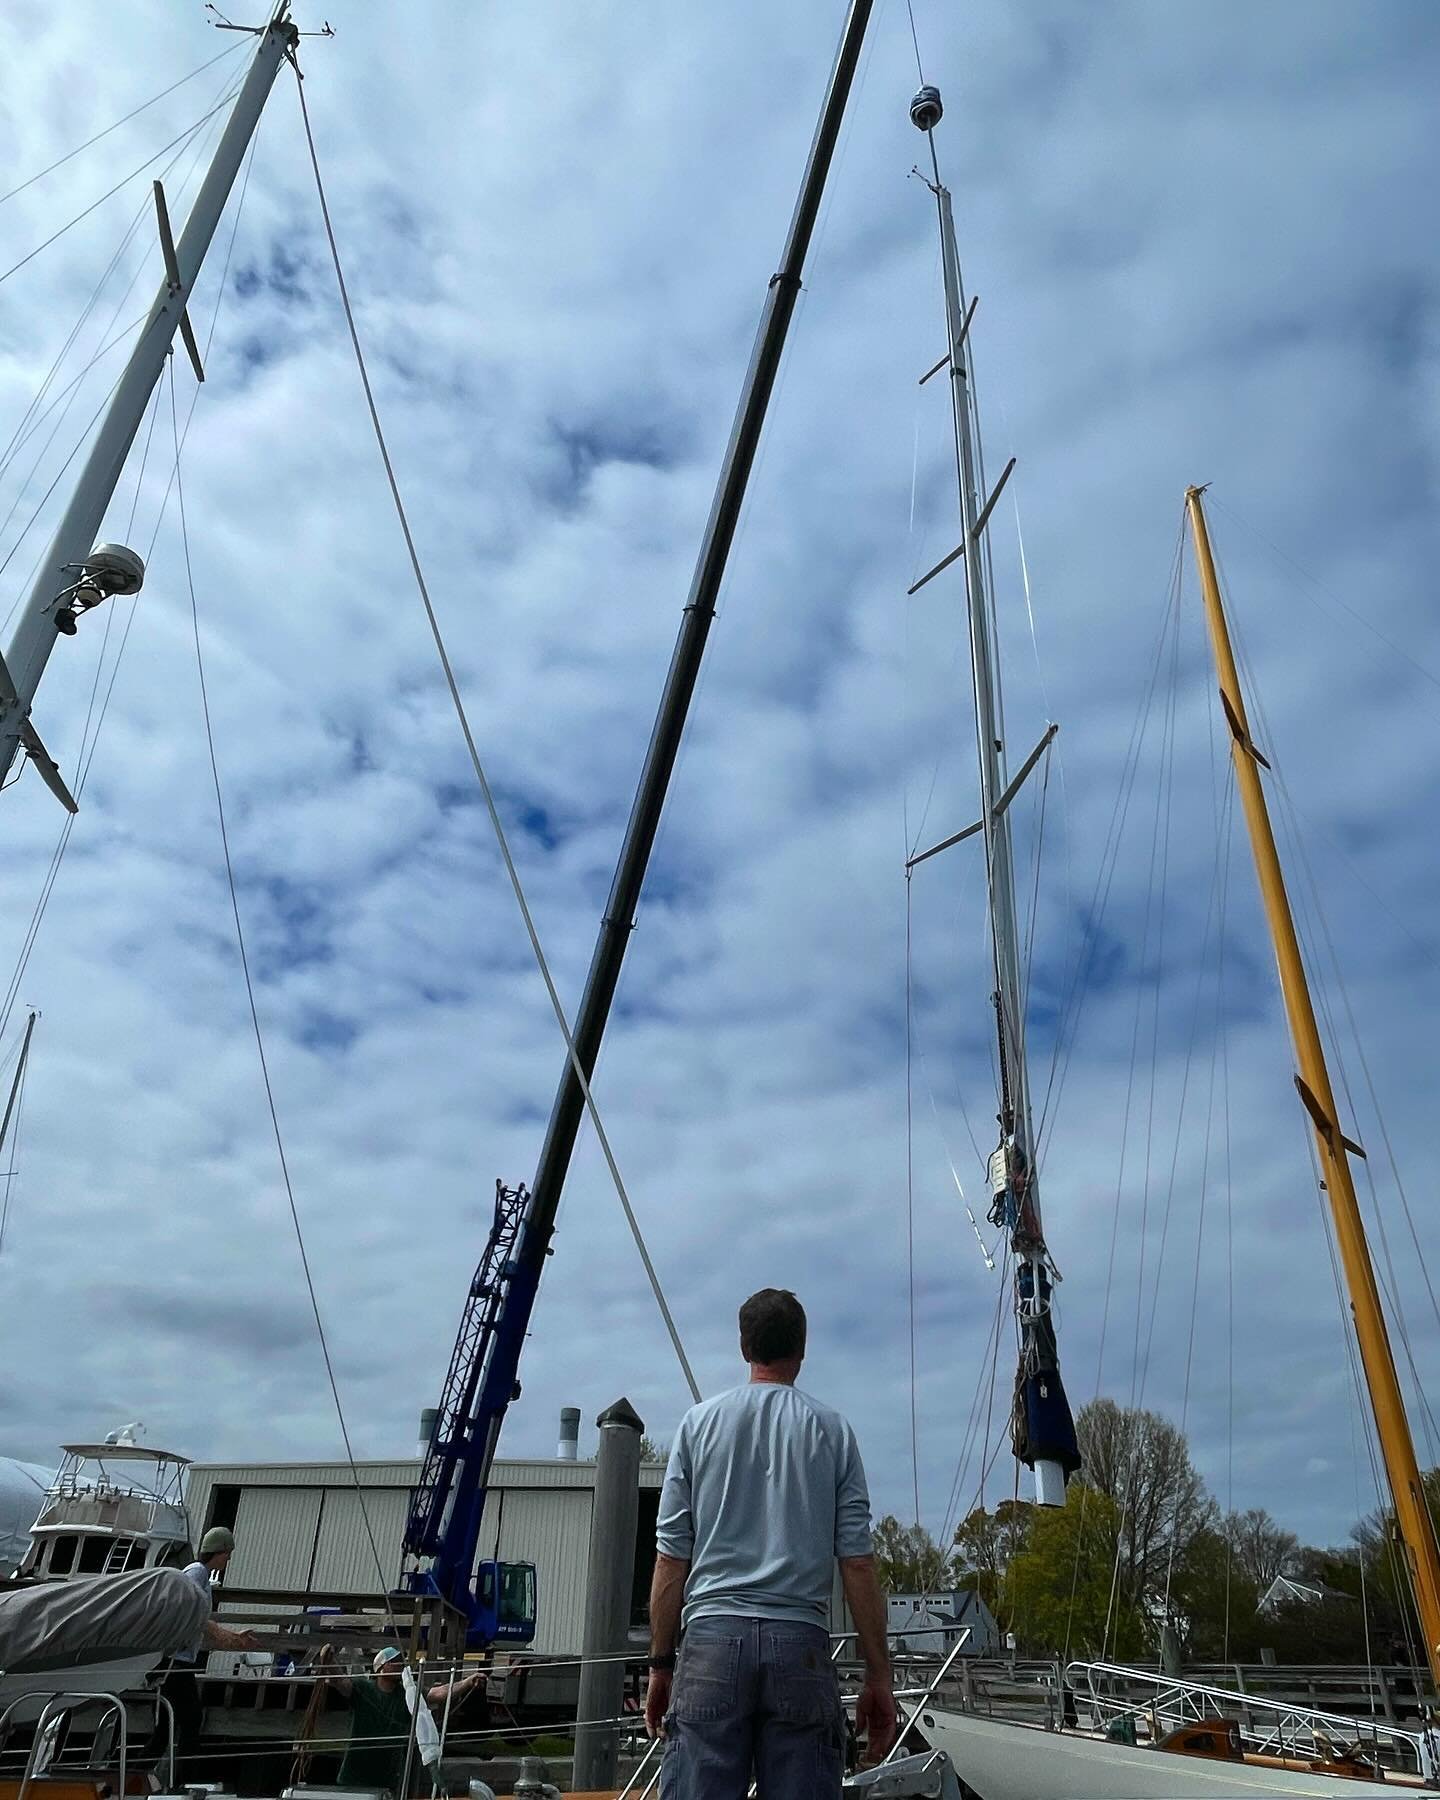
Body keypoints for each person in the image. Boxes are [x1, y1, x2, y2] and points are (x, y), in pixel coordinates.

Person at [646, 1288, 898, 1798]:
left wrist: (659, 1664)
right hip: (800, 1646)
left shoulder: (697, 1426)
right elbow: (858, 1564)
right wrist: (879, 1674)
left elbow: (671, 1558)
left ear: (745, 1349)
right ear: (801, 1351)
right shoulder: (834, 1432)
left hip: (712, 1642)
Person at [146, 1526, 260, 1767]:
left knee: (169, 1722)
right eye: (227, 1552)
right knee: (191, 1718)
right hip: (176, 1662)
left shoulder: (203, 1576)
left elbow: (198, 1623)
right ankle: (182, 1778)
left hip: (179, 1660)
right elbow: (194, 1613)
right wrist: (229, 1636)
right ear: (217, 1552)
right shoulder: (196, 1572)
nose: (229, 1558)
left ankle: (139, 1771)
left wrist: (234, 1638)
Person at [319, 1643, 485, 1794]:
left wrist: (467, 1683)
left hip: (388, 1777)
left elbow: (439, 1693)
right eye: (395, 1661)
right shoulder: (363, 1688)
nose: (402, 1664)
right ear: (382, 1668)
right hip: (355, 1774)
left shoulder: (408, 1693)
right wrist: (329, 1660)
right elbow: (341, 1681)